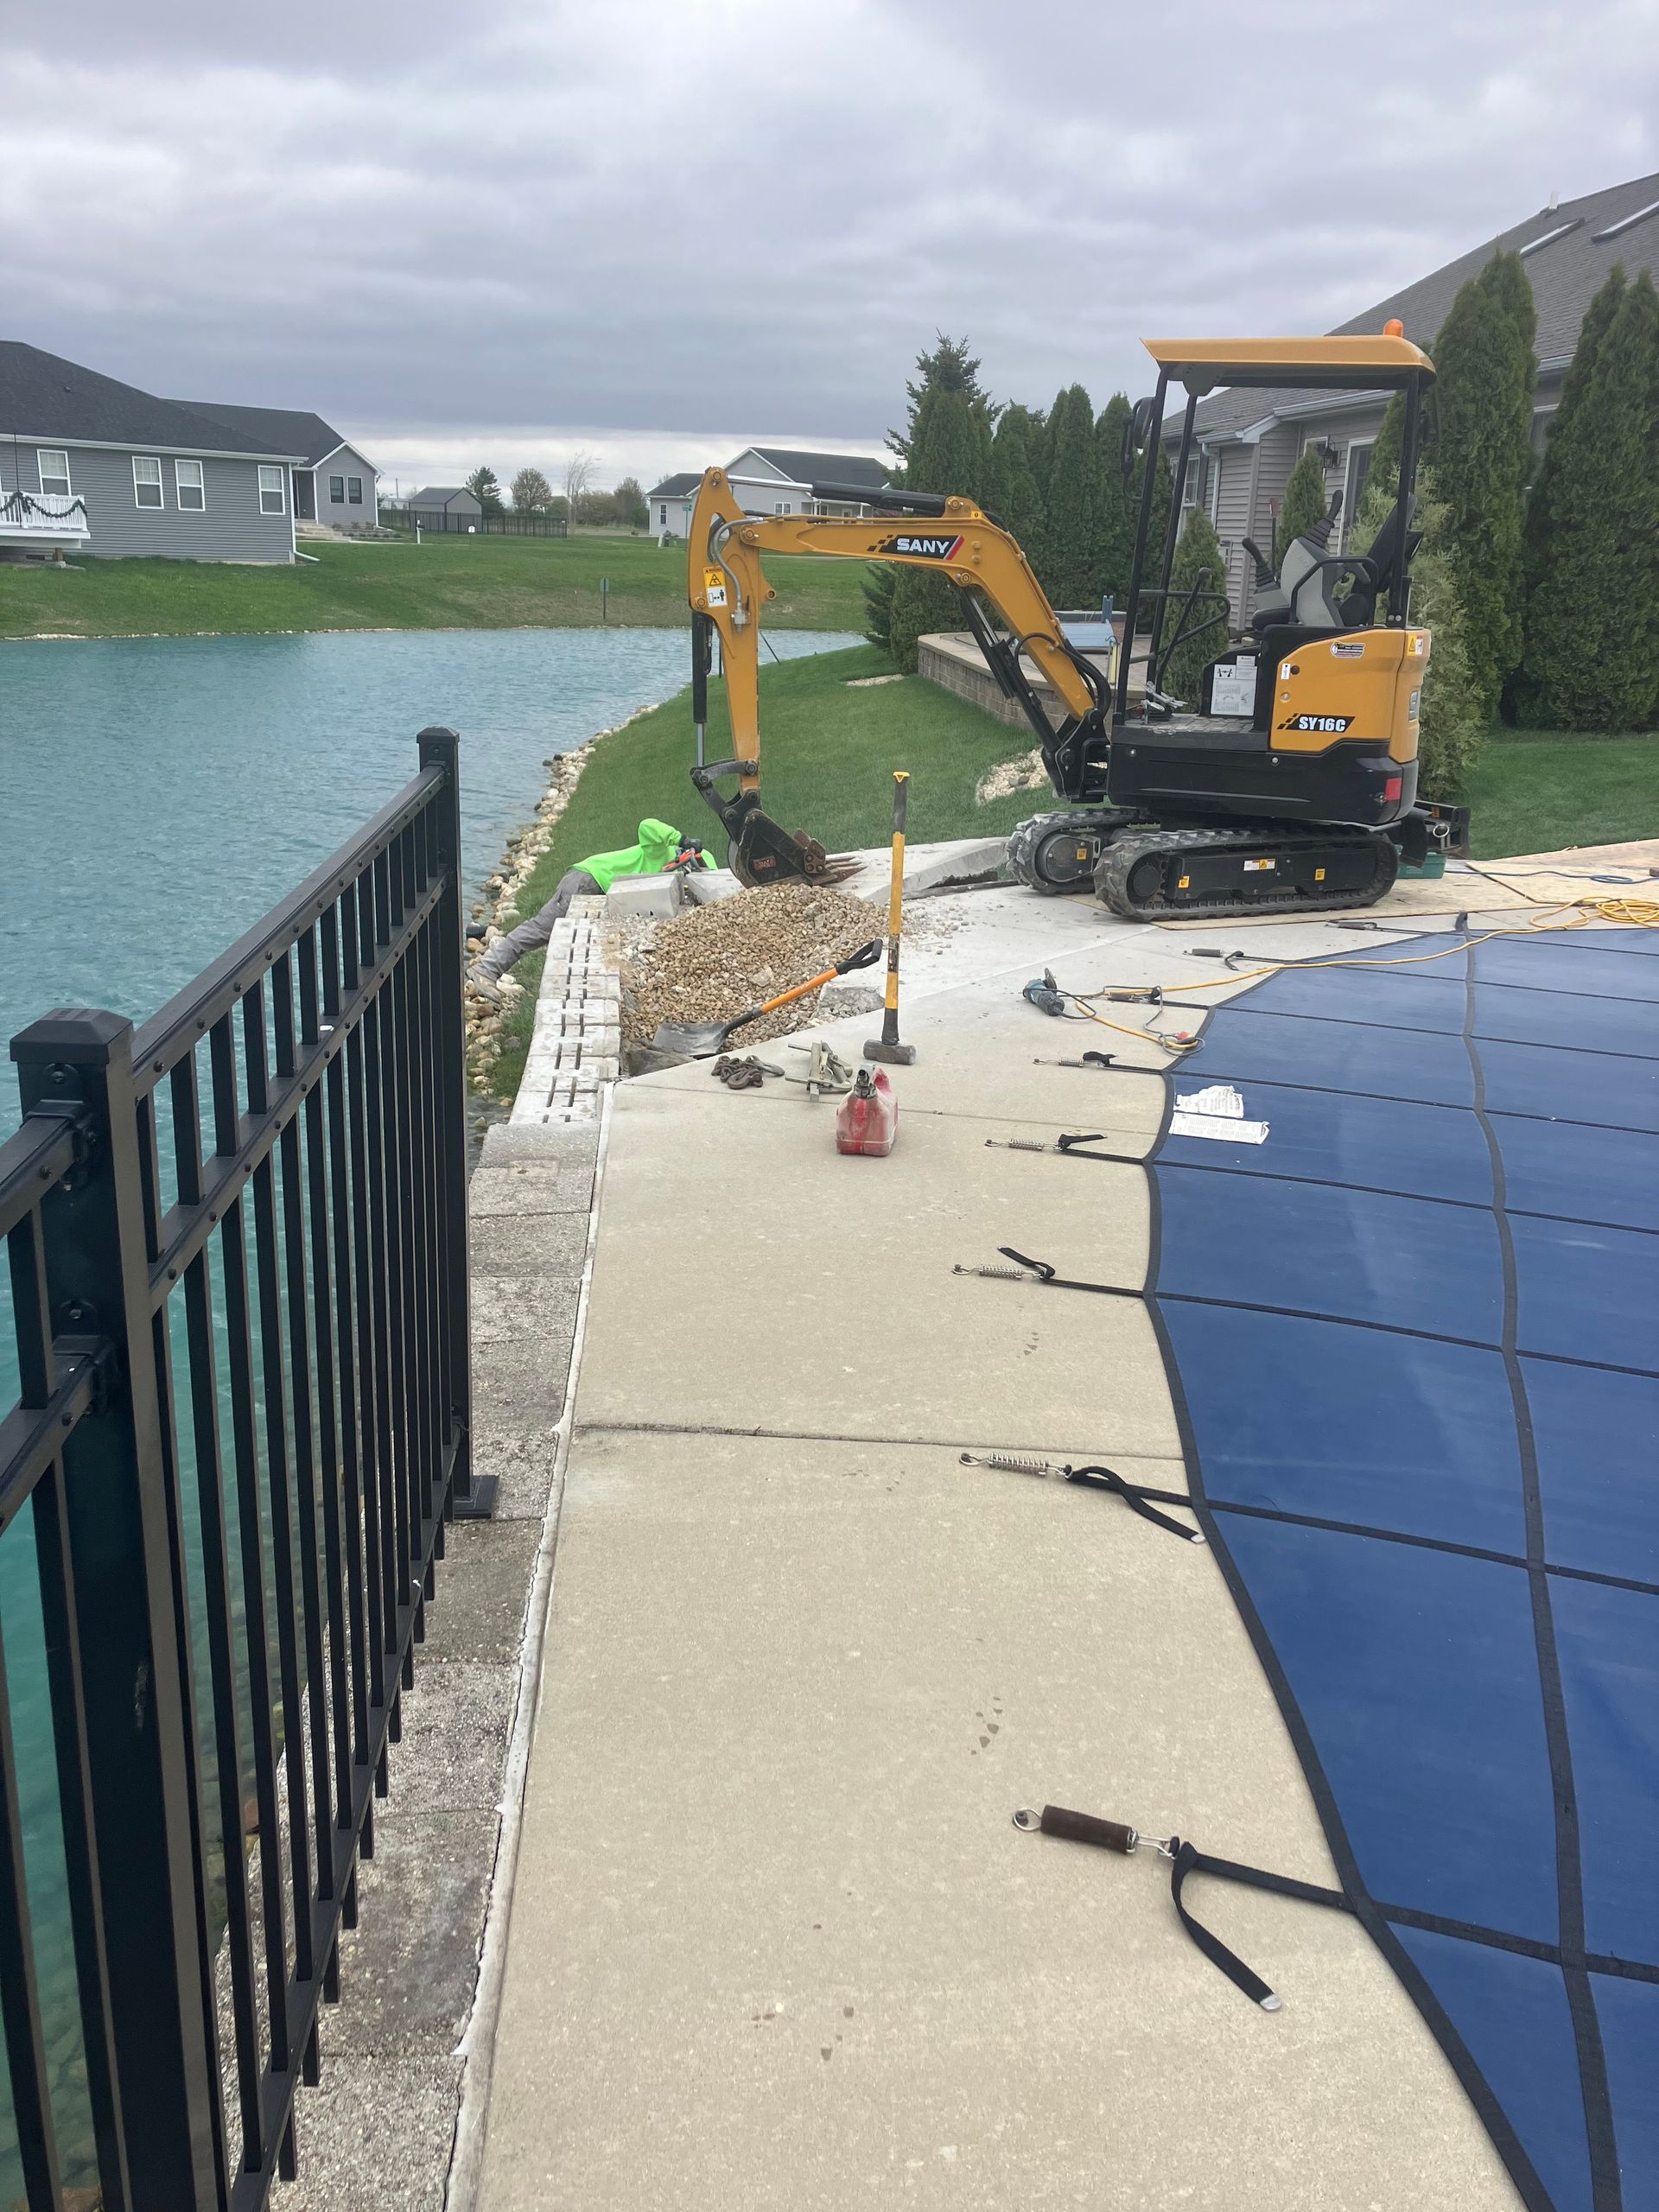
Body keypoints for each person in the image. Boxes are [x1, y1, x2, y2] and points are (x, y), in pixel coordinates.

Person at [467, 817, 713, 1001]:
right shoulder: (661, 849)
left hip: (596, 887)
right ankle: (486, 969)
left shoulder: (670, 877)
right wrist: (680, 838)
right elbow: (647, 825)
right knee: (540, 930)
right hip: (588, 881)